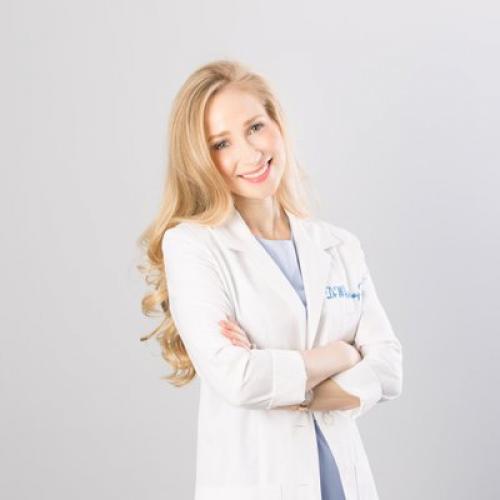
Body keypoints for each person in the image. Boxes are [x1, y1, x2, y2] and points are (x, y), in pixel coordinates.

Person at [138, 59, 403, 500]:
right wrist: (341, 354)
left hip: (343, 483)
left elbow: (389, 369)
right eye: (222, 143)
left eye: (256, 127)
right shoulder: (192, 246)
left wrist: (297, 391)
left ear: (277, 123)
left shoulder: (339, 245)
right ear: (200, 159)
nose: (250, 154)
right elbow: (239, 377)